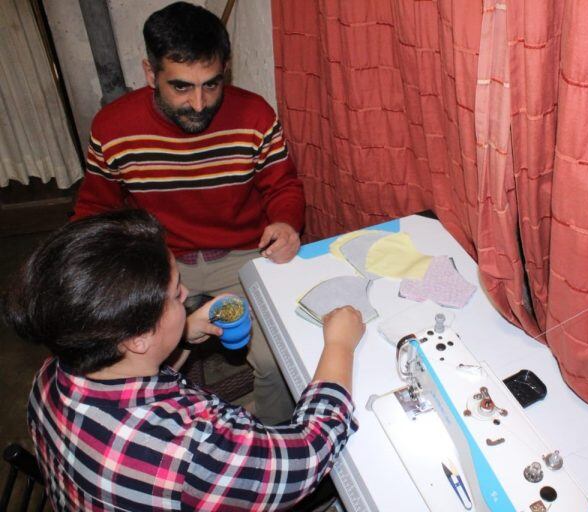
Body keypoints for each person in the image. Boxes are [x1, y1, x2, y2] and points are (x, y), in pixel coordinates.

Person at [2, 209, 364, 511]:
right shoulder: (193, 451)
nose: (187, 293)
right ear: (137, 337)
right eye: (176, 294)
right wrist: (339, 345)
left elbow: (130, 381)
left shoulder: (54, 370)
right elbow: (306, 457)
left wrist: (180, 332)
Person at [71, 2, 304, 424]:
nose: (199, 104)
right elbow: (95, 208)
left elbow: (283, 185)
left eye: (212, 85)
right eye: (181, 87)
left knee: (279, 363)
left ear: (226, 70)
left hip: (243, 257)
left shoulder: (255, 115)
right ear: (149, 73)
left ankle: (267, 451)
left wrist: (286, 222)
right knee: (129, 367)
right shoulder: (111, 127)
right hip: (160, 263)